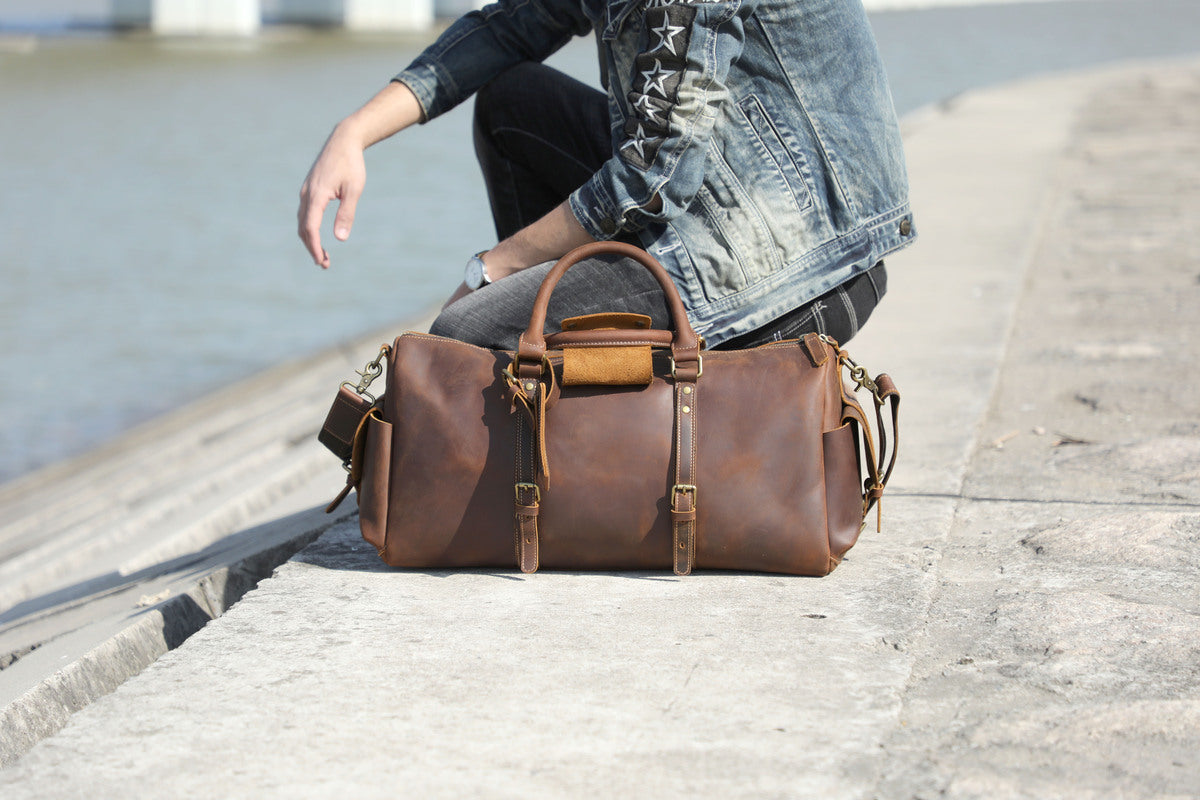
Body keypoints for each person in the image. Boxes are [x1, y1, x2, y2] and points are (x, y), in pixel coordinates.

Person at [298, 0, 916, 350]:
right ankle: (555, 361)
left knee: (467, 333)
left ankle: (546, 363)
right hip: (716, 193)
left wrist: (491, 270)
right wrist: (354, 131)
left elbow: (654, 173)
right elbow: (513, 24)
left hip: (797, 260)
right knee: (512, 106)